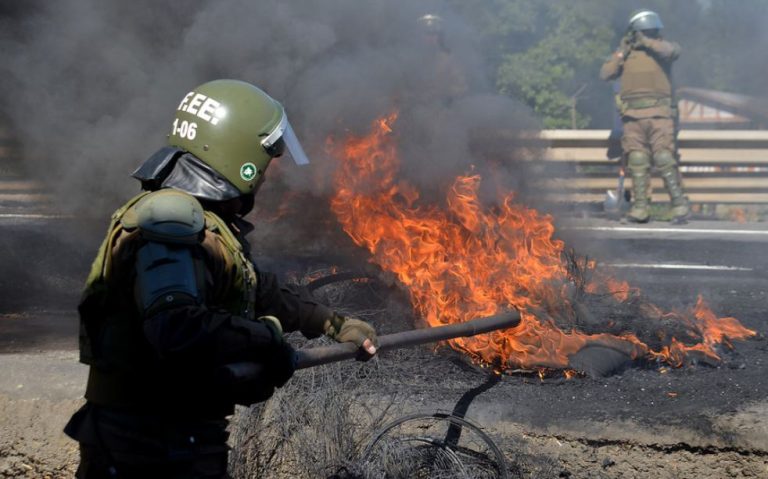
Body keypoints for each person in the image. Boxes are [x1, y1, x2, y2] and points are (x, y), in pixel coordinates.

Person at [64, 79, 378, 478]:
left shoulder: (204, 222)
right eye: (264, 164)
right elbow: (175, 326)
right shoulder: (170, 218)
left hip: (175, 437)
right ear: (238, 154)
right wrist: (267, 339)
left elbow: (254, 286)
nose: (265, 176)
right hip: (144, 445)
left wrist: (334, 323)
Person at [600, 9, 689, 224]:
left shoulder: (663, 49)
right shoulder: (626, 53)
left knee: (664, 159)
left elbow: (672, 52)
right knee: (637, 160)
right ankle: (640, 209)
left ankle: (679, 206)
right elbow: (606, 73)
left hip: (660, 115)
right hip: (632, 116)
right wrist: (622, 51)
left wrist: (647, 43)